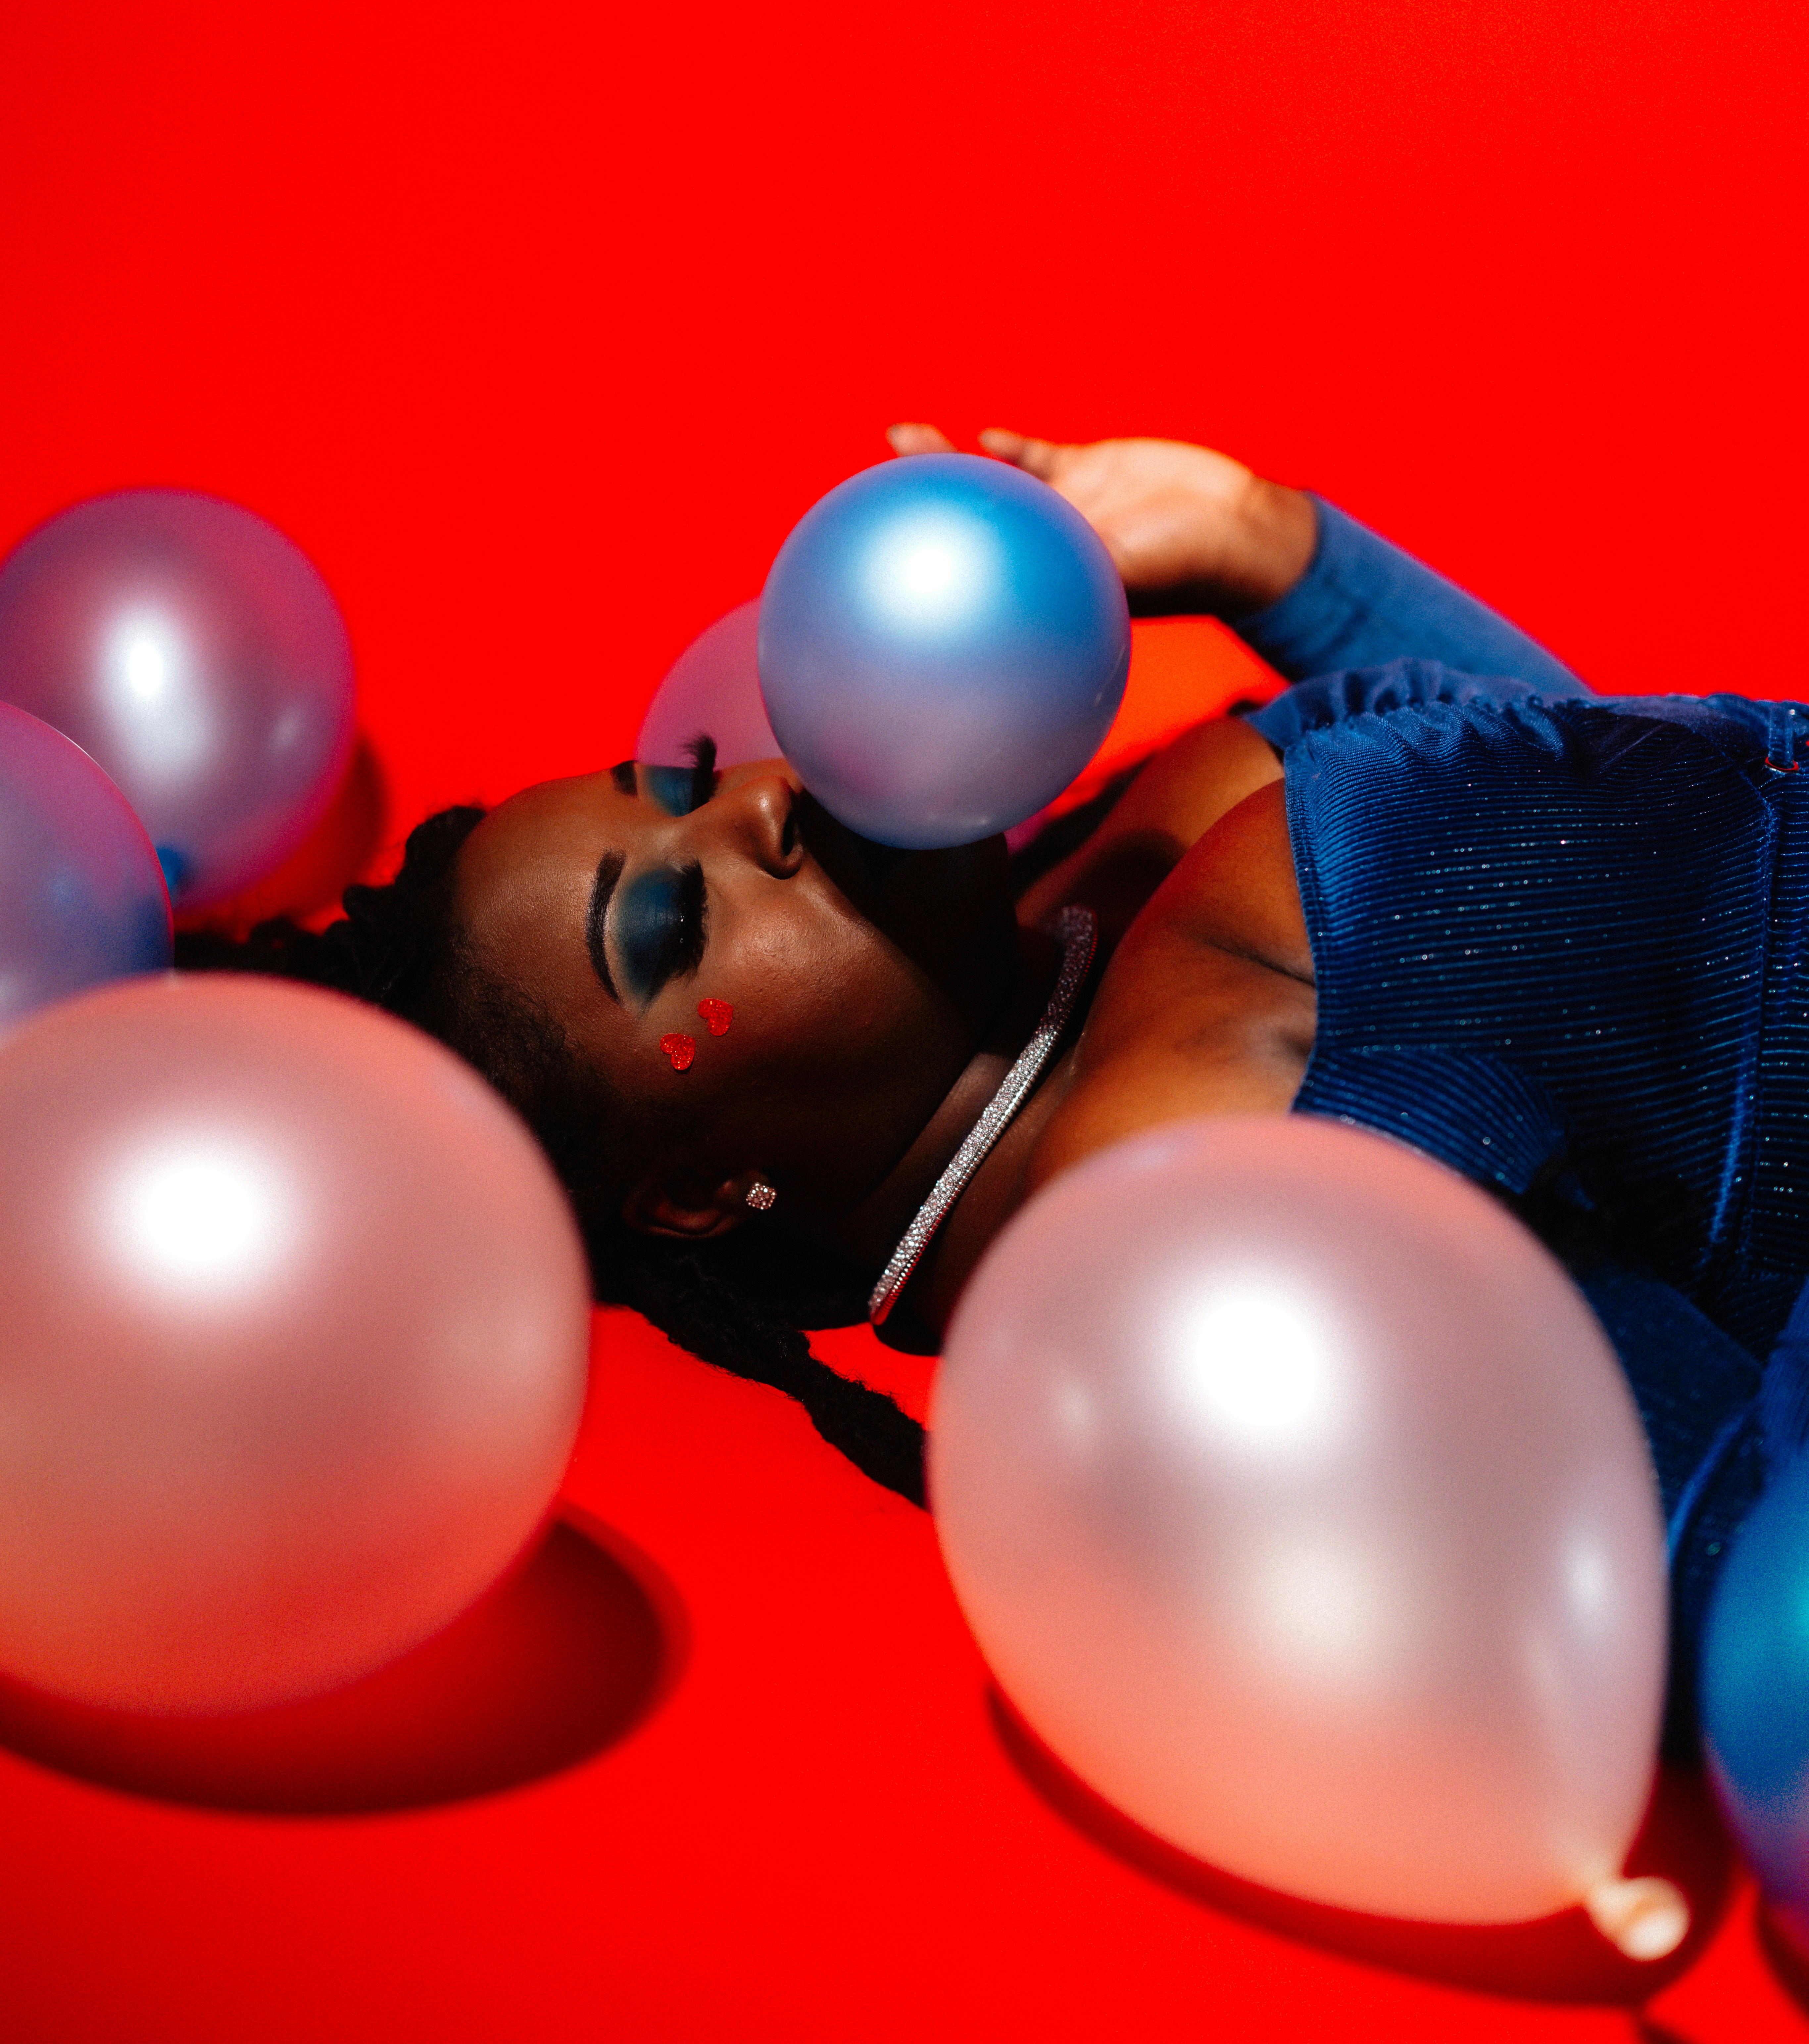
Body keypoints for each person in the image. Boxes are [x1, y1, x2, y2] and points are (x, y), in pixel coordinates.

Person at [181, 422, 1809, 1743]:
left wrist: (1269, 546)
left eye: (675, 780)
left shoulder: (1105, 859)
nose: (749, 809)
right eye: (668, 921)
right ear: (690, 1190)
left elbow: (1663, 831)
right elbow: (1739, 1565)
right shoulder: (1198, 1269)